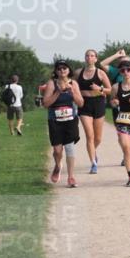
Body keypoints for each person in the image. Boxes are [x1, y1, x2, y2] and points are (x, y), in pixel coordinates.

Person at [43, 60, 85, 188]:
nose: (62, 71)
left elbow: (81, 103)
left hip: (70, 120)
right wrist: (58, 92)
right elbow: (46, 103)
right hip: (55, 121)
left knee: (69, 148)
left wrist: (72, 92)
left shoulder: (74, 83)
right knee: (57, 150)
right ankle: (57, 165)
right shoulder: (51, 84)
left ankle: (71, 177)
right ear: (56, 71)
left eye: (65, 68)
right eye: (59, 68)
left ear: (68, 70)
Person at [77, 49, 112, 173]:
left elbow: (110, 90)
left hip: (98, 103)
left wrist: (100, 88)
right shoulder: (78, 73)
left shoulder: (101, 73)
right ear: (84, 58)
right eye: (87, 55)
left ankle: (93, 151)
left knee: (98, 138)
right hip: (84, 104)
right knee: (89, 136)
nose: (89, 58)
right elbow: (73, 86)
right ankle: (93, 163)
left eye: (92, 56)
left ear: (96, 59)